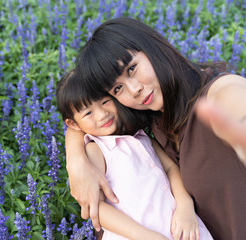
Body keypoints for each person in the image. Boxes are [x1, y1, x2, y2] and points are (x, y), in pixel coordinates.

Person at [65, 17, 246, 240]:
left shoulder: (217, 94)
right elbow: (84, 115)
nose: (134, 90)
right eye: (118, 88)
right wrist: (75, 160)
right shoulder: (150, 121)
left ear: (154, 47)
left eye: (132, 68)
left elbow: (234, 98)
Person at [57, 70, 213, 240]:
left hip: (179, 227)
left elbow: (170, 169)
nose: (102, 114)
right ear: (73, 123)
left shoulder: (141, 136)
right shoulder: (96, 151)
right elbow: (96, 207)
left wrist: (185, 206)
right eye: (88, 113)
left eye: (105, 102)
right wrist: (143, 236)